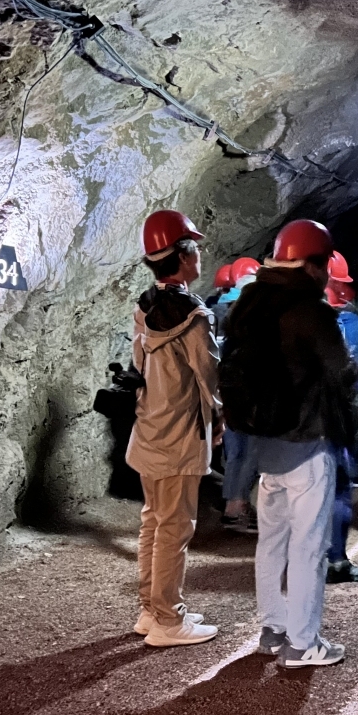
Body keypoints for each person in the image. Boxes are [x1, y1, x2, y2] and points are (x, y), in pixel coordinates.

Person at [219, 219, 358, 668]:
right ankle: (303, 642)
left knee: (271, 543)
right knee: (308, 548)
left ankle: (273, 628)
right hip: (307, 444)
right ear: (314, 265)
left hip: (264, 445)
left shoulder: (249, 304)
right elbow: (342, 372)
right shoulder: (309, 310)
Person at [126, 210, 221, 648]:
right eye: (194, 248)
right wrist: (219, 420)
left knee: (152, 521)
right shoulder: (195, 317)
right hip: (181, 435)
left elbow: (137, 367)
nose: (199, 254)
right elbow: (209, 377)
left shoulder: (144, 307)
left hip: (148, 430)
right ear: (183, 258)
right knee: (175, 528)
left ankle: (150, 610)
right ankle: (168, 619)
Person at [325, 277, 358, 583]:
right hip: (328, 423)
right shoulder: (332, 334)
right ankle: (337, 560)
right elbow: (356, 369)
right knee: (339, 490)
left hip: (293, 434)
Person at [215, 255, 264, 531]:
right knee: (250, 453)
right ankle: (238, 506)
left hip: (228, 395)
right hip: (249, 397)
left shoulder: (223, 319)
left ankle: (231, 506)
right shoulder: (252, 326)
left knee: (236, 453)